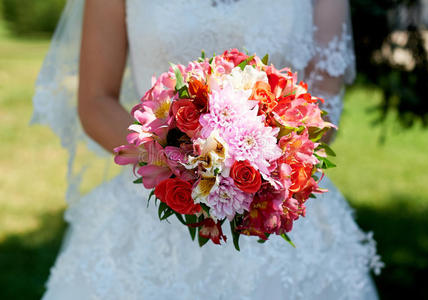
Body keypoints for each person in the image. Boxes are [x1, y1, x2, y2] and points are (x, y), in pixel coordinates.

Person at [32, 0, 383, 299]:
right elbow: (95, 102)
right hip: (155, 201)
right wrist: (177, 164)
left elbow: (324, 106)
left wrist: (259, 166)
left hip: (273, 205)